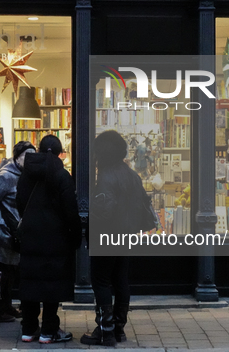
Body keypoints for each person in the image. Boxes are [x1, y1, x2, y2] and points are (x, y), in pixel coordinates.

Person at [81, 130, 151, 346]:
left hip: (106, 236)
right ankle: (119, 328)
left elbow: (103, 212)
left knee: (101, 281)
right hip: (127, 235)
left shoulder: (105, 177)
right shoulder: (132, 175)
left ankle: (105, 331)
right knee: (121, 280)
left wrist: (88, 227)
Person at [16, 135, 81, 344]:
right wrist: (75, 235)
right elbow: (71, 210)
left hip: (29, 235)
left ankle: (28, 329)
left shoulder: (26, 175)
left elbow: (19, 203)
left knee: (30, 282)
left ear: (39, 151)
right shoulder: (62, 175)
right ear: (61, 153)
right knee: (51, 285)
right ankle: (49, 331)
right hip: (56, 237)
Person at [0, 141, 36, 322]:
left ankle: (7, 306)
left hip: (12, 233)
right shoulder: (5, 177)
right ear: (17, 157)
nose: (30, 160)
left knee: (9, 273)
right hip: (0, 234)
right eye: (27, 156)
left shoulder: (25, 174)